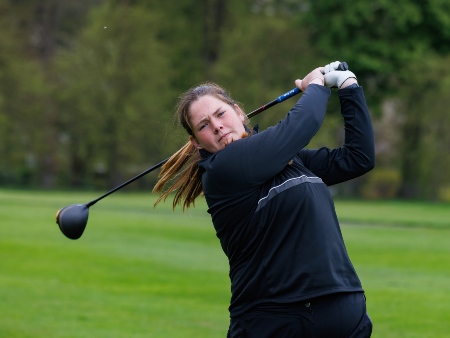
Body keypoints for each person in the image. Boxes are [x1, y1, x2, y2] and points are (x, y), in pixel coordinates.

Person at [154, 61, 375, 337]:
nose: (218, 127)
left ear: (238, 111)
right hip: (274, 319)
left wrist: (348, 86)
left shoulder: (289, 160)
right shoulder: (223, 169)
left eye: (220, 114)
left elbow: (358, 158)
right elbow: (301, 125)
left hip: (341, 306)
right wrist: (316, 86)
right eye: (204, 125)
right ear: (197, 142)